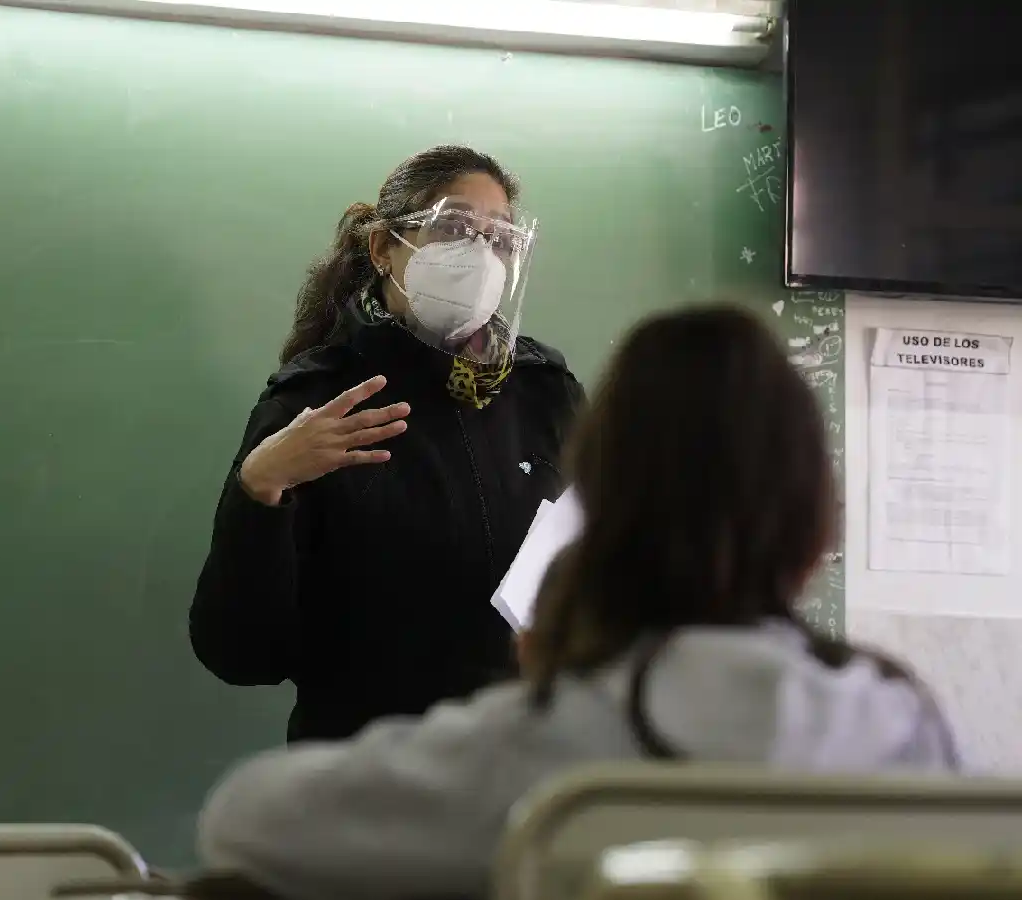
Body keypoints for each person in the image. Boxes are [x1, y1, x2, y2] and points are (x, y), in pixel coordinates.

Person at [195, 305, 960, 900]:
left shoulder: (551, 744)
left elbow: (244, 817)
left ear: (600, 513)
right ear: (815, 521)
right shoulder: (895, 724)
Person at [190, 146, 584, 742]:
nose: (479, 254)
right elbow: (241, 653)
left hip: (523, 762)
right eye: (453, 228)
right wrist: (261, 489)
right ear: (384, 249)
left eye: (499, 239)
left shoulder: (544, 393)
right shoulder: (319, 398)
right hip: (367, 771)